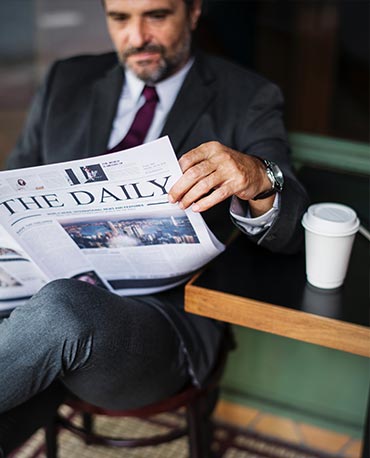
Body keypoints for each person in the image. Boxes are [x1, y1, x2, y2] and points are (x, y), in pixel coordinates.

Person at [0, 0, 308, 452]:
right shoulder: (67, 79)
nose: (137, 36)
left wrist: (262, 179)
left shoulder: (247, 94)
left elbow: (294, 227)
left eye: (157, 16)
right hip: (34, 301)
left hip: (160, 327)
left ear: (195, 12)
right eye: (119, 19)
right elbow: (14, 195)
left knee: (60, 310)